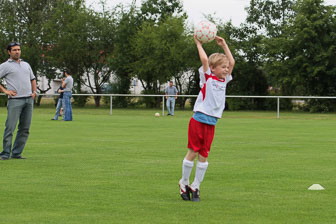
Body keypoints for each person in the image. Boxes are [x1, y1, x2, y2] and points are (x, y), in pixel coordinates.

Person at [178, 36, 235, 201]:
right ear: (212, 68)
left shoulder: (224, 80)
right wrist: (198, 44)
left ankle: (195, 186)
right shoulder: (207, 78)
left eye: (226, 67)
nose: (226, 69)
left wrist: (224, 45)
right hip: (198, 120)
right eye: (222, 67)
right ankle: (184, 182)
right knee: (193, 152)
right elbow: (204, 59)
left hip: (212, 123)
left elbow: (232, 62)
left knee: (204, 155)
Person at [0, 42, 37, 160]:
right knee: (10, 127)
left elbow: (33, 79)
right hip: (15, 100)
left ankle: (16, 153)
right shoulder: (5, 66)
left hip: (28, 100)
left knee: (25, 129)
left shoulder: (26, 64)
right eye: (14, 50)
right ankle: (5, 153)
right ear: (9, 52)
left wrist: (34, 92)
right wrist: (5, 91)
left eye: (19, 49)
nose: (17, 52)